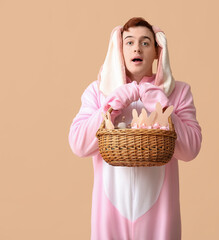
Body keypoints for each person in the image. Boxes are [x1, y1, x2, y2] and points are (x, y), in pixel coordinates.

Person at [68, 17, 202, 240]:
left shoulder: (178, 92)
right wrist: (111, 103)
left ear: (158, 51)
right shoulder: (98, 91)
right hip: (109, 218)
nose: (137, 48)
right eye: (129, 42)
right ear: (119, 49)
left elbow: (191, 149)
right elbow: (78, 144)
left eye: (145, 42)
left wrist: (163, 106)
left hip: (160, 219)